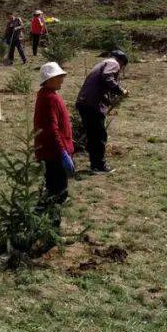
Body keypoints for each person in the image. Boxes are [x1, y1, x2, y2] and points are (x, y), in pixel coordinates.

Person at [75, 50, 128, 174]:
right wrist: (121, 91)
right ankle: (99, 166)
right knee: (99, 135)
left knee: (93, 135)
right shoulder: (113, 63)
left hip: (84, 102)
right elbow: (107, 76)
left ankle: (95, 164)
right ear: (121, 62)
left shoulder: (102, 63)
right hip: (93, 104)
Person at [34, 62, 74, 226]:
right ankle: (50, 228)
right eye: (58, 77)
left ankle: (43, 221)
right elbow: (51, 128)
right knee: (58, 192)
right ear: (48, 79)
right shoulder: (49, 98)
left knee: (54, 188)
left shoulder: (47, 94)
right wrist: (63, 152)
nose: (62, 80)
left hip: (53, 151)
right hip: (54, 154)